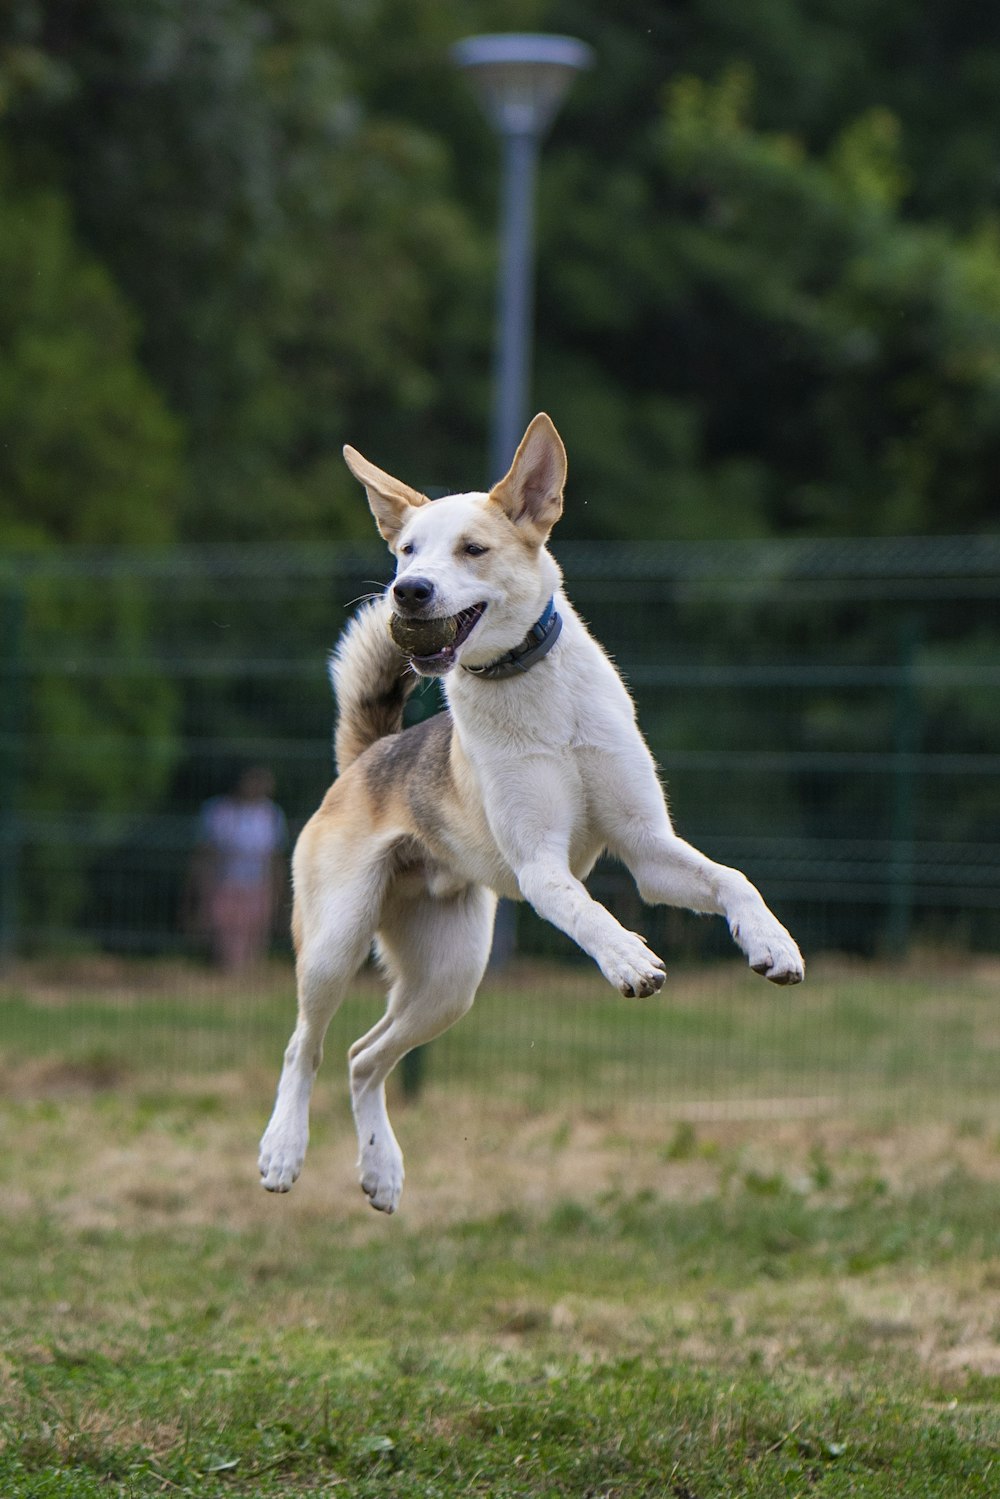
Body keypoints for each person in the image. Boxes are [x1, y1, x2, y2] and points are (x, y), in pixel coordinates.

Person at [190, 767, 288, 971]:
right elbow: (205, 854)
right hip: (225, 884)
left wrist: (278, 893)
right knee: (226, 940)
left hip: (258, 886)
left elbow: (275, 858)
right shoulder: (219, 811)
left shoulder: (271, 814)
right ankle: (228, 981)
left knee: (254, 940)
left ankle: (244, 985)